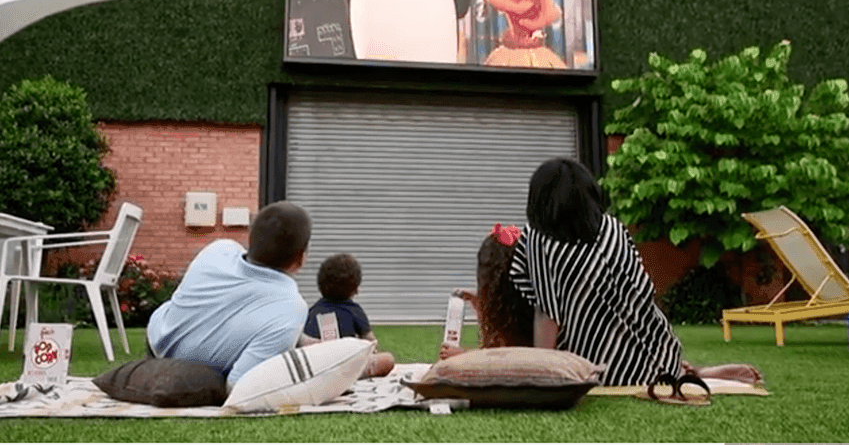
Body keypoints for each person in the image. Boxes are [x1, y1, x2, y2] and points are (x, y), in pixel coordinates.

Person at [441, 159, 762, 388]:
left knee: (543, 313)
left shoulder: (540, 244)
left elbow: (547, 316)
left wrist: (539, 369)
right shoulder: (614, 229)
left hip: (600, 369)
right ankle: (684, 372)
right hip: (659, 350)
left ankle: (684, 373)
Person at [147, 201, 317, 388]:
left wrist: (299, 339)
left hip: (157, 340)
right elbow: (238, 385)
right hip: (196, 372)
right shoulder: (291, 308)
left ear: (250, 238)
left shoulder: (219, 250)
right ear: (301, 259)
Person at [438, 223, 534, 360]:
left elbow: (504, 360)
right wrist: (479, 302)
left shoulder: (516, 324)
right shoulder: (533, 306)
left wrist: (463, 357)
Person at [304, 253, 395, 377]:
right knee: (387, 359)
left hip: (318, 369)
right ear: (355, 288)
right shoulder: (354, 310)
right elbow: (370, 342)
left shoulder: (312, 311)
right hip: (347, 368)